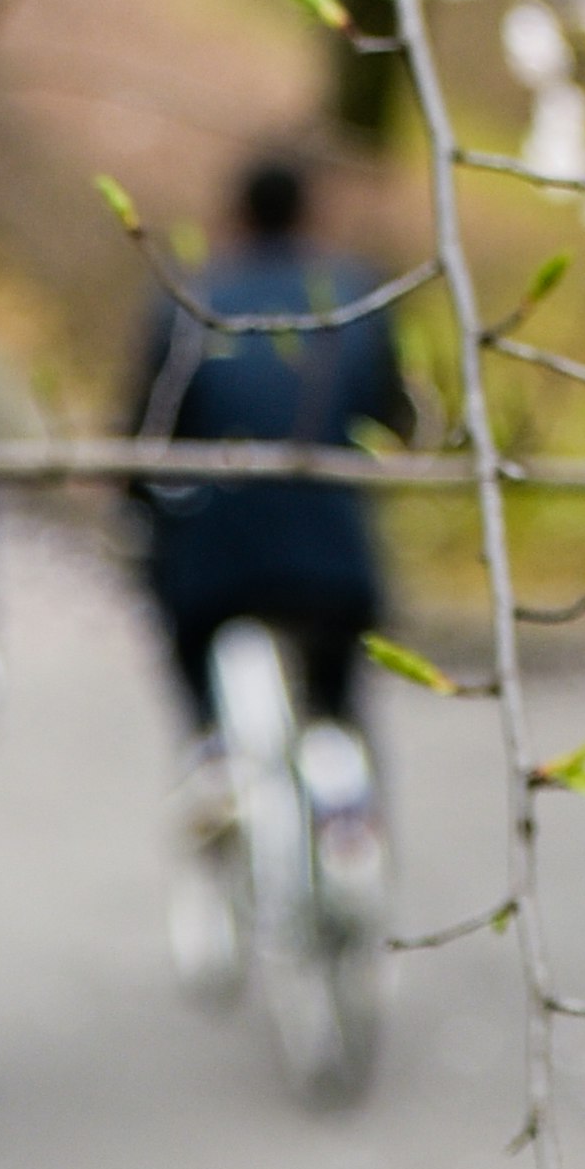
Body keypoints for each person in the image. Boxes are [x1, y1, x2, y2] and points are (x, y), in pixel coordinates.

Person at [125, 147, 412, 734]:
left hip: (214, 560)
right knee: (333, 707)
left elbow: (149, 438)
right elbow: (394, 422)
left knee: (184, 625)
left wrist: (138, 507)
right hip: (335, 557)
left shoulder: (193, 302)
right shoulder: (357, 299)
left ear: (238, 215)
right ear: (309, 215)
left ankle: (211, 745)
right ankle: (342, 784)